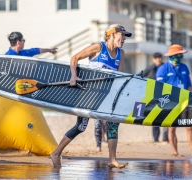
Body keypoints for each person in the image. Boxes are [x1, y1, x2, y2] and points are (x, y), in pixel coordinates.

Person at [51, 24, 132, 168]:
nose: (124, 38)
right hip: (90, 95)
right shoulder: (99, 48)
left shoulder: (121, 54)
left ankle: (112, 160)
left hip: (107, 96)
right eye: (122, 35)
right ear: (113, 34)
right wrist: (74, 76)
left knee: (113, 124)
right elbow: (74, 58)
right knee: (81, 126)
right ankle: (56, 153)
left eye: (125, 36)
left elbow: (120, 77)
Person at [156, 44, 192, 157]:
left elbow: (189, 85)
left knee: (189, 127)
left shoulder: (184, 67)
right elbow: (159, 88)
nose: (181, 56)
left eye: (181, 54)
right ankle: (175, 152)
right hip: (170, 102)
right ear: (172, 56)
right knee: (171, 129)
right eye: (179, 54)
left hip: (185, 101)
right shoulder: (162, 69)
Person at [142, 52, 168, 143]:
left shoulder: (166, 67)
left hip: (165, 95)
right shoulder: (150, 68)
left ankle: (165, 137)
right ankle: (156, 138)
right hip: (153, 95)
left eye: (160, 57)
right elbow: (141, 75)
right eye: (156, 58)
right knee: (154, 116)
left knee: (165, 116)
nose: (159, 59)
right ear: (153, 59)